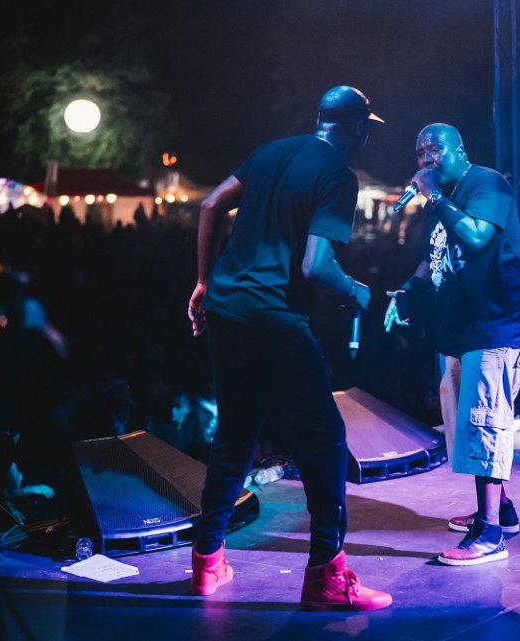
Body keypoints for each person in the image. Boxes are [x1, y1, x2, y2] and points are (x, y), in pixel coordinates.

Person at [186, 85, 392, 611]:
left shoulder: (271, 151)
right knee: (326, 441)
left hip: (227, 310)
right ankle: (327, 577)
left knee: (235, 432)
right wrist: (355, 291)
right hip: (274, 318)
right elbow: (315, 266)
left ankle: (207, 561)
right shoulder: (337, 175)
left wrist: (204, 281)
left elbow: (210, 204)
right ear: (358, 129)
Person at [384, 123, 520, 566]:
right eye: (420, 152)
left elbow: (474, 237)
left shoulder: (486, 183)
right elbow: (434, 254)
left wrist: (435, 195)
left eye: (435, 149)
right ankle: (501, 510)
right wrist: (409, 289)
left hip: (501, 319)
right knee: (468, 421)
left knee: (485, 419)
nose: (426, 159)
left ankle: (490, 535)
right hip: (466, 323)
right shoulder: (444, 200)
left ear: (459, 150)